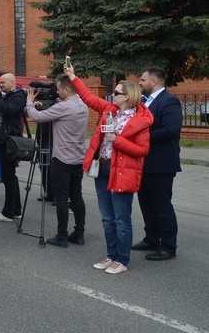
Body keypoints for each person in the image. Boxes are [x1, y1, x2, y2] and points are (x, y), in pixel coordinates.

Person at [66, 64, 152, 275]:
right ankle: (111, 255)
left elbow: (142, 150)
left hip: (124, 172)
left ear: (127, 97)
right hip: (103, 169)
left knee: (121, 219)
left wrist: (118, 140)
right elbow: (88, 97)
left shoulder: (140, 120)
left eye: (116, 93)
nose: (112, 95)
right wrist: (73, 76)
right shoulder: (109, 110)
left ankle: (122, 259)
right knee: (106, 217)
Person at [25, 74, 89, 247]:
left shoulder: (63, 107)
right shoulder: (83, 105)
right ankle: (79, 233)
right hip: (77, 157)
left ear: (67, 89)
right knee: (76, 195)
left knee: (62, 198)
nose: (57, 91)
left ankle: (62, 236)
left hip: (62, 158)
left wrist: (30, 101)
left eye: (59, 88)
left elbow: (37, 118)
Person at [133, 67, 182, 261]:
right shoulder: (144, 102)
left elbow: (171, 129)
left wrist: (143, 137)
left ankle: (169, 246)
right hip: (144, 162)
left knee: (161, 206)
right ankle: (151, 238)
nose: (140, 83)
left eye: (143, 80)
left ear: (154, 81)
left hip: (162, 164)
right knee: (146, 203)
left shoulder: (169, 101)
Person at [0, 73, 26, 222]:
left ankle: (7, 212)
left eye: (3, 82)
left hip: (10, 140)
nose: (1, 84)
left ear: (12, 82)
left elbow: (6, 110)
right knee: (10, 176)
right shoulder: (5, 96)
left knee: (8, 176)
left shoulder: (18, 97)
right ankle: (15, 210)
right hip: (3, 140)